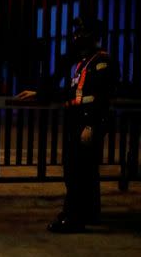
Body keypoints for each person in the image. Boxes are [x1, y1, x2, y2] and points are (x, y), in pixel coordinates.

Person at [16, 17, 119, 232]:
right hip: (77, 120)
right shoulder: (83, 63)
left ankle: (73, 219)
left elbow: (101, 97)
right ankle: (88, 213)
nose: (76, 37)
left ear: (92, 36)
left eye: (81, 33)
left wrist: (90, 125)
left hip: (87, 122)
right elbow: (74, 93)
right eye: (76, 33)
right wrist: (41, 93)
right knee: (84, 172)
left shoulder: (103, 62)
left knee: (77, 172)